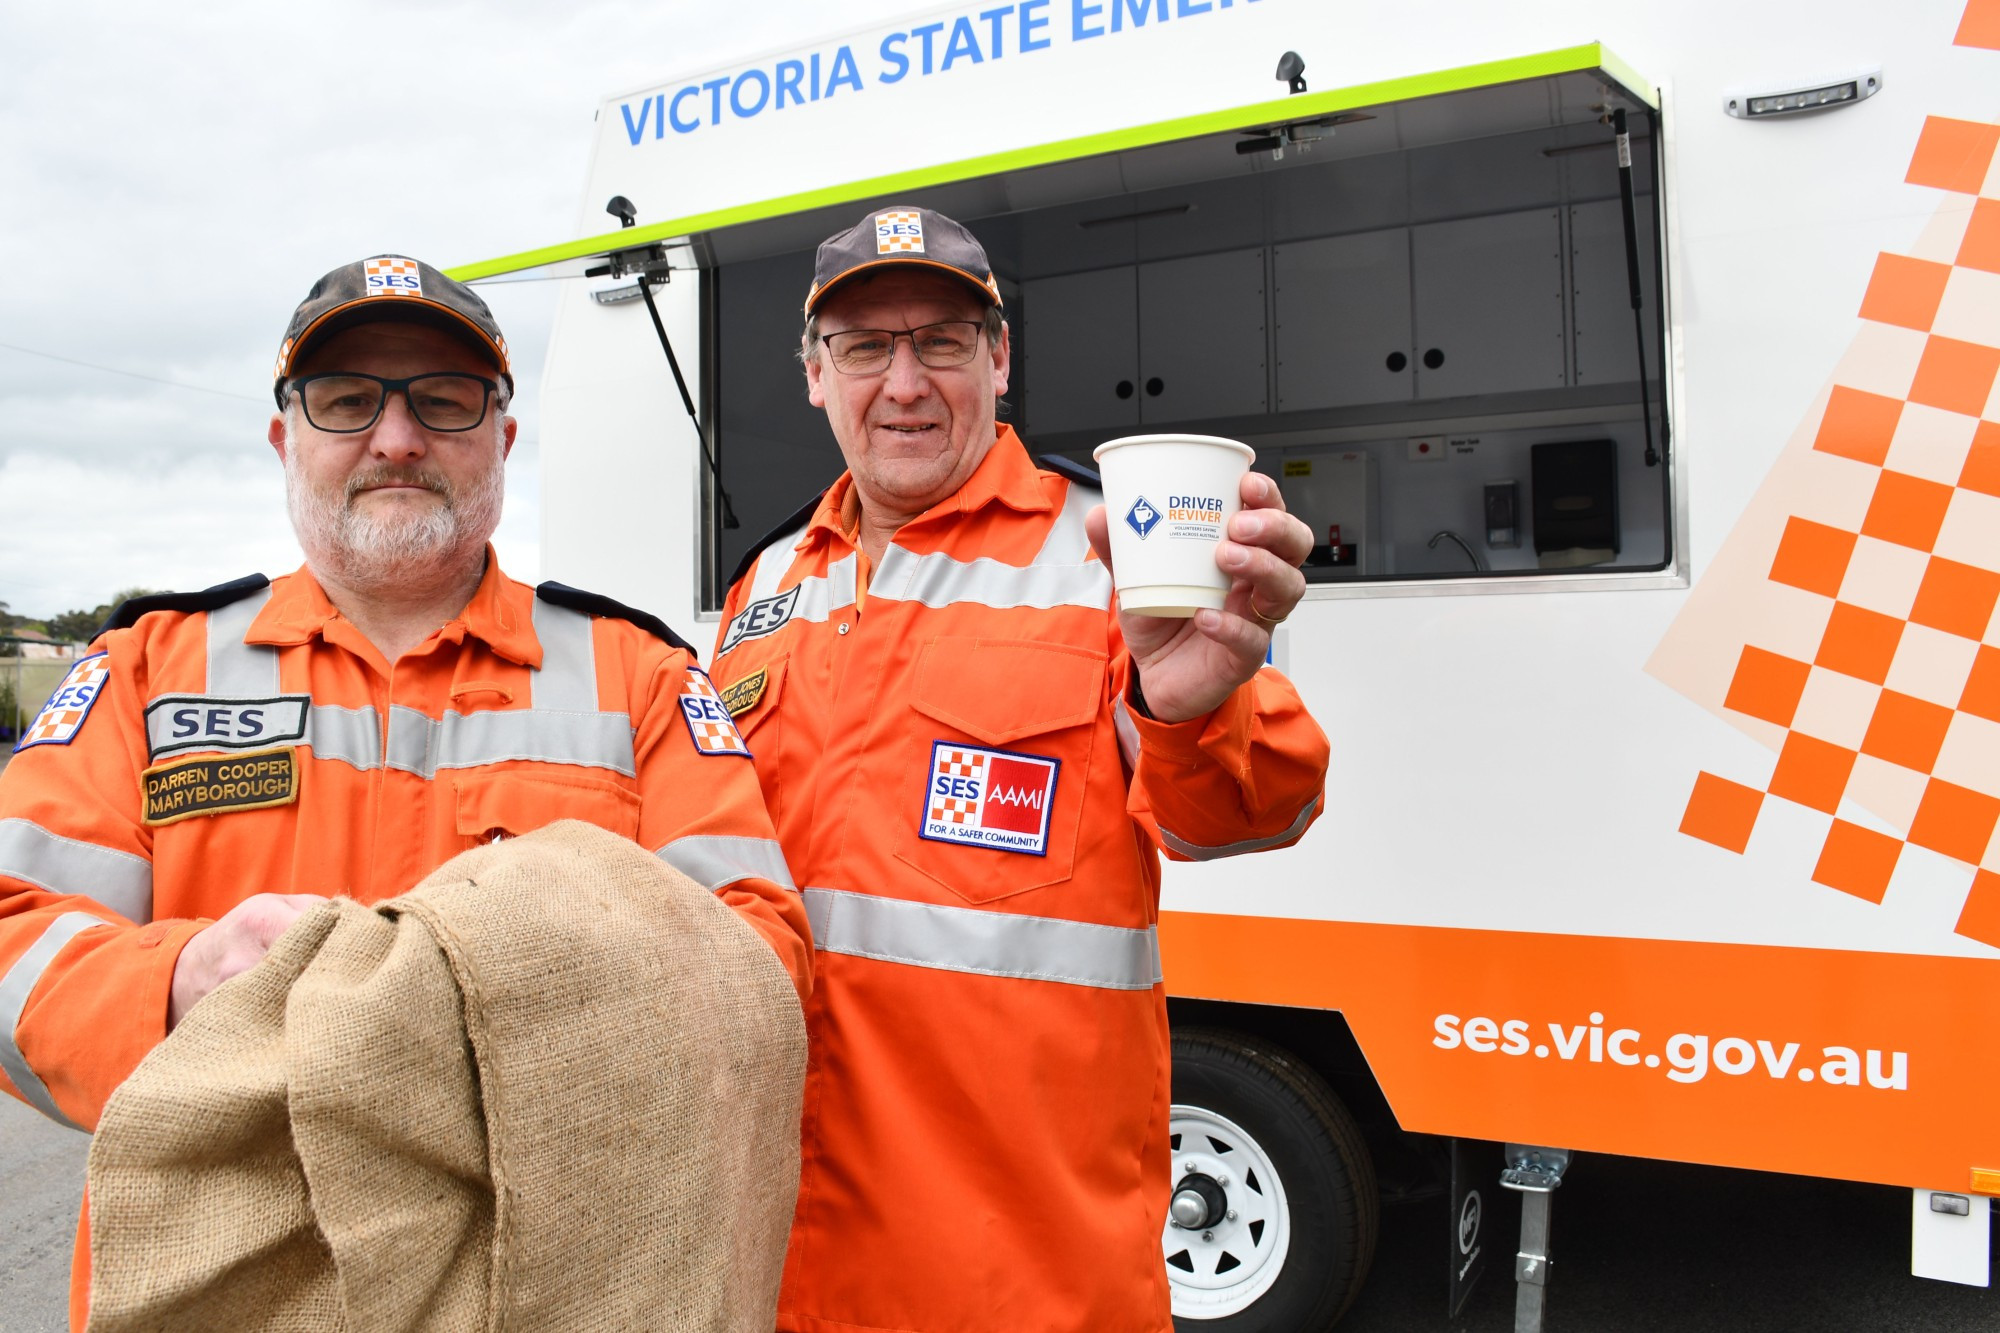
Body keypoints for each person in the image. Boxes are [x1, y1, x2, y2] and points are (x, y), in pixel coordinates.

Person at [0, 256, 811, 1328]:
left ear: (502, 441)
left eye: (443, 399)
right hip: (229, 1283)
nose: (395, 438)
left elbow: (760, 956)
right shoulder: (145, 669)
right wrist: (181, 976)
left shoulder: (644, 677)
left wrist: (523, 991)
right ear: (286, 439)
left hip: (547, 1281)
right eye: (347, 401)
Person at [709, 206, 1329, 1333]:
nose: (902, 382)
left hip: (1021, 1277)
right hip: (786, 1264)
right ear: (814, 376)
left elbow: (1244, 810)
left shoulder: (1114, 553)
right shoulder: (761, 591)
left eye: (940, 341)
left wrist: (1189, 705)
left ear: (999, 359)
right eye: (863, 347)